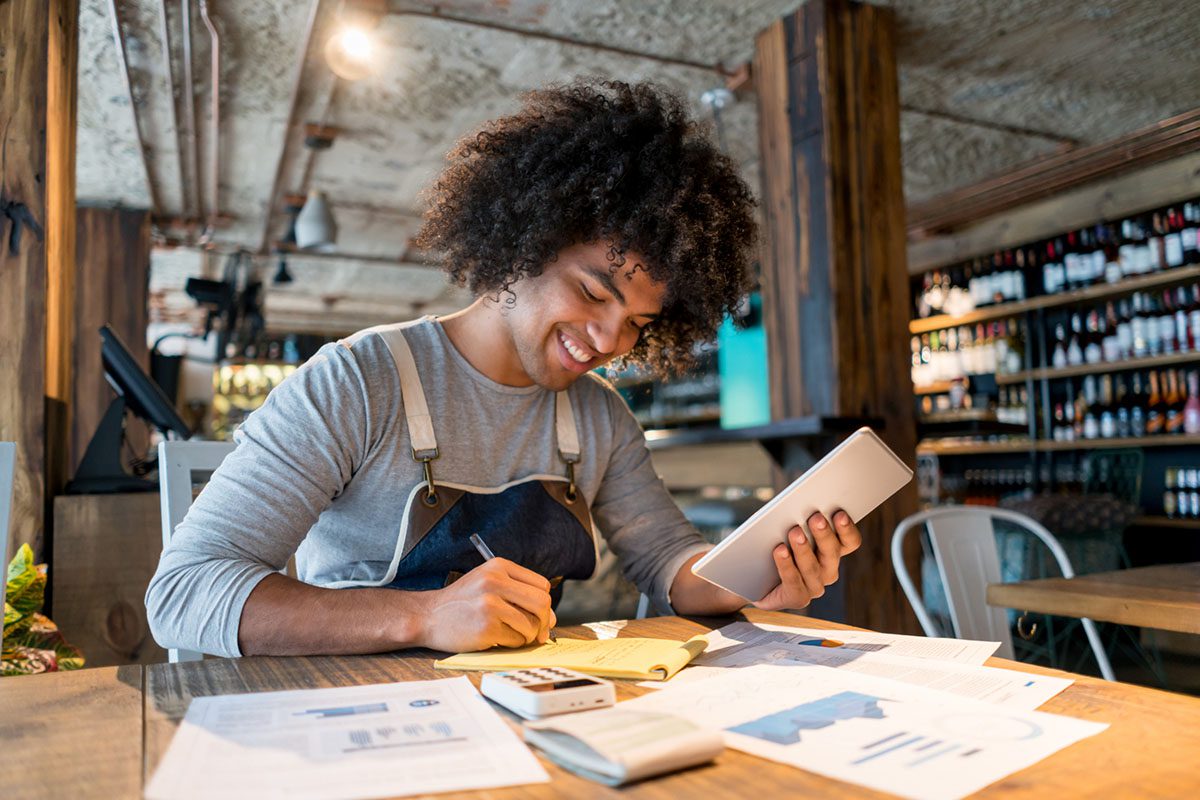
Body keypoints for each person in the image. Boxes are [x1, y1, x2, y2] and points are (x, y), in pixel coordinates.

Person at [146, 79, 862, 659]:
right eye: (591, 292)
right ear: (523, 245)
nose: (610, 339)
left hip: (534, 707)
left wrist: (753, 577)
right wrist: (424, 617)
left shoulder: (599, 417)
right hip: (352, 711)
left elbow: (669, 564)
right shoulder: (358, 382)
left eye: (639, 323)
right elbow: (183, 594)